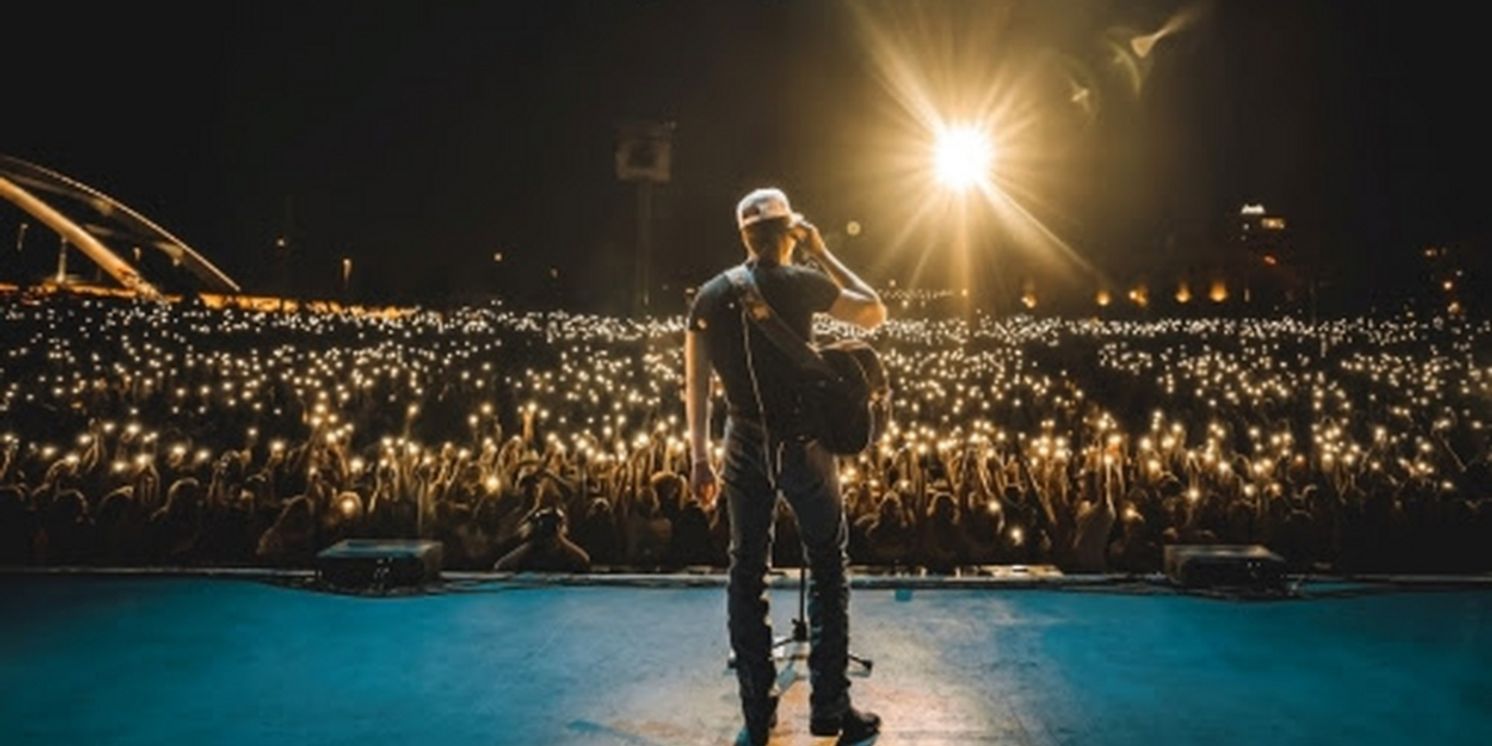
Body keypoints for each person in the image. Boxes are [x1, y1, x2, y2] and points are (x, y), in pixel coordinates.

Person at [685, 187, 887, 745]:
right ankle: (831, 709)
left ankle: (757, 712)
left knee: (745, 570)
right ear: (787, 232)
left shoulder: (708, 296)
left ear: (744, 236)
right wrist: (821, 250)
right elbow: (873, 309)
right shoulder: (804, 282)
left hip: (741, 441)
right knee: (827, 564)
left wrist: (700, 459)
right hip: (801, 444)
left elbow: (697, 385)